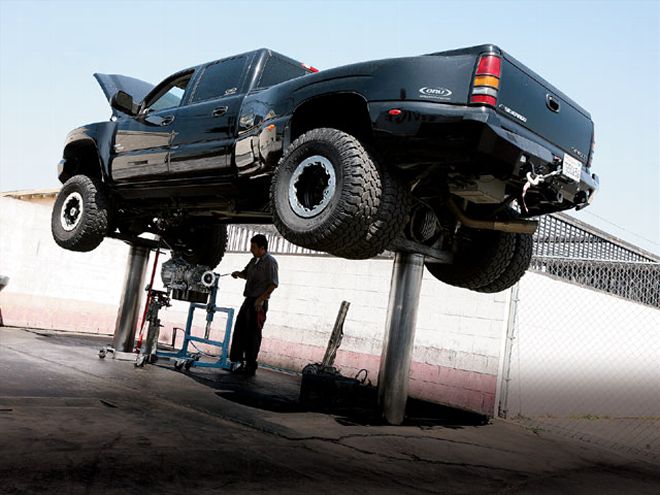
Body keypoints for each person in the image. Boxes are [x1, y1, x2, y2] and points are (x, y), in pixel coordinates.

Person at [229, 234, 278, 376]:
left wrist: (261, 299)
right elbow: (246, 273)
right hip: (249, 299)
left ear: (262, 248)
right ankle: (237, 360)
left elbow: (273, 284)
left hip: (259, 302)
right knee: (240, 328)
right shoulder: (253, 261)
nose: (251, 249)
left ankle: (251, 364)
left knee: (253, 333)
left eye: (254, 247)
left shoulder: (270, 262)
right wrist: (238, 274)